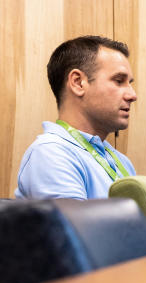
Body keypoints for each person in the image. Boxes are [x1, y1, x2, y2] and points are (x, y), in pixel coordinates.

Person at [15, 36, 138, 200]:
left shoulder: (122, 162)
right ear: (78, 83)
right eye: (118, 81)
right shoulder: (50, 154)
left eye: (130, 83)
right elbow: (75, 226)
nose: (132, 95)